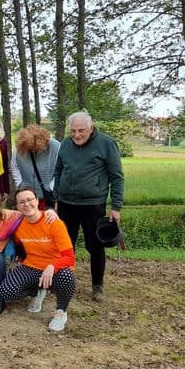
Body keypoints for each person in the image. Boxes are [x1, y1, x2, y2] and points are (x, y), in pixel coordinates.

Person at [53, 111, 124, 302]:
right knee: (65, 245)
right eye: (73, 131)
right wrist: (56, 198)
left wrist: (116, 206)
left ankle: (97, 286)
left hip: (92, 205)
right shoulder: (65, 144)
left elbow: (117, 177)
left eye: (81, 130)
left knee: (95, 246)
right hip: (66, 204)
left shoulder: (106, 143)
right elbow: (58, 172)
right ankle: (64, 282)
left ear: (91, 128)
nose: (76, 135)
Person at [0, 186, 76, 332]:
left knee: (67, 277)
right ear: (17, 207)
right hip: (31, 266)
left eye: (30, 200)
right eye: (21, 202)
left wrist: (52, 266)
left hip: (55, 269)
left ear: (37, 201)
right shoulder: (17, 223)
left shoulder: (53, 222)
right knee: (6, 291)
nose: (26, 204)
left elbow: (69, 257)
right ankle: (37, 291)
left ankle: (61, 311)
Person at [9, 124, 60, 210]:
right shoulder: (21, 146)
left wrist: (51, 187)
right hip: (25, 195)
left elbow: (61, 171)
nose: (31, 151)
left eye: (33, 149)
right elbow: (14, 166)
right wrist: (20, 183)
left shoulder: (56, 147)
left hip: (46, 196)